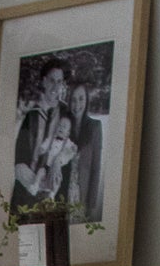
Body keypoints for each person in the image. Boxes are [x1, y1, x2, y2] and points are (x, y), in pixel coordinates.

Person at [11, 61, 67, 212]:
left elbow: (71, 147)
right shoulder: (32, 115)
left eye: (59, 81)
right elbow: (20, 159)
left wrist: (57, 161)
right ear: (44, 81)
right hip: (28, 189)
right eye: (51, 80)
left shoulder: (66, 114)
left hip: (55, 191)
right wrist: (36, 188)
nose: (55, 87)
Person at [65, 81, 104, 222]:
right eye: (73, 100)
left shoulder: (95, 127)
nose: (77, 104)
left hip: (81, 195)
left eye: (81, 99)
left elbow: (95, 168)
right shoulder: (63, 125)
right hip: (61, 194)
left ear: (86, 100)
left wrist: (91, 204)